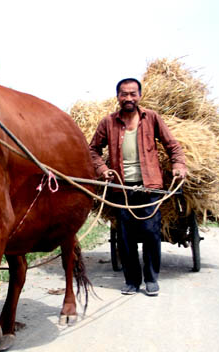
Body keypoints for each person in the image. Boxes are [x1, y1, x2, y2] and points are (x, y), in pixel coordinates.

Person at [89, 78, 186, 296]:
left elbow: (172, 145)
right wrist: (102, 169)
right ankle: (132, 281)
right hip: (122, 190)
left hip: (150, 188)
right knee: (125, 237)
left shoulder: (151, 118)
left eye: (133, 94)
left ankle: (151, 279)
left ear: (139, 96)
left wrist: (179, 165)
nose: (129, 98)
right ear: (118, 97)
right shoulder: (108, 122)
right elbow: (92, 150)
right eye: (124, 94)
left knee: (151, 233)